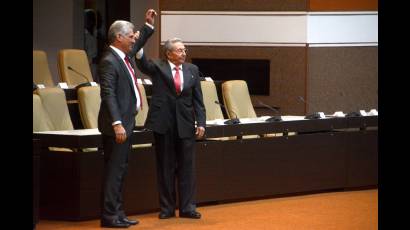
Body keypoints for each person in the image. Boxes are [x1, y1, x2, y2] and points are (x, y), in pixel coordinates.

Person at [97, 9, 157, 228]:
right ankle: (109, 216)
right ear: (118, 38)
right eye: (131, 35)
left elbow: (139, 42)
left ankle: (118, 213)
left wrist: (147, 26)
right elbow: (108, 94)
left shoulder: (123, 55)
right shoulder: (109, 61)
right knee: (114, 172)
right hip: (117, 126)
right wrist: (117, 123)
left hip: (126, 123)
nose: (134, 38)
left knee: (121, 171)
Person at [136, 37, 206, 219]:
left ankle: (188, 207)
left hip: (186, 124)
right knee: (165, 167)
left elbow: (198, 100)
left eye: (184, 50)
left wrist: (201, 122)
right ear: (169, 53)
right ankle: (167, 208)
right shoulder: (158, 67)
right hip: (163, 123)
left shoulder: (192, 69)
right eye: (180, 50)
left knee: (187, 168)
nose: (184, 53)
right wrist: (141, 38)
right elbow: (142, 63)